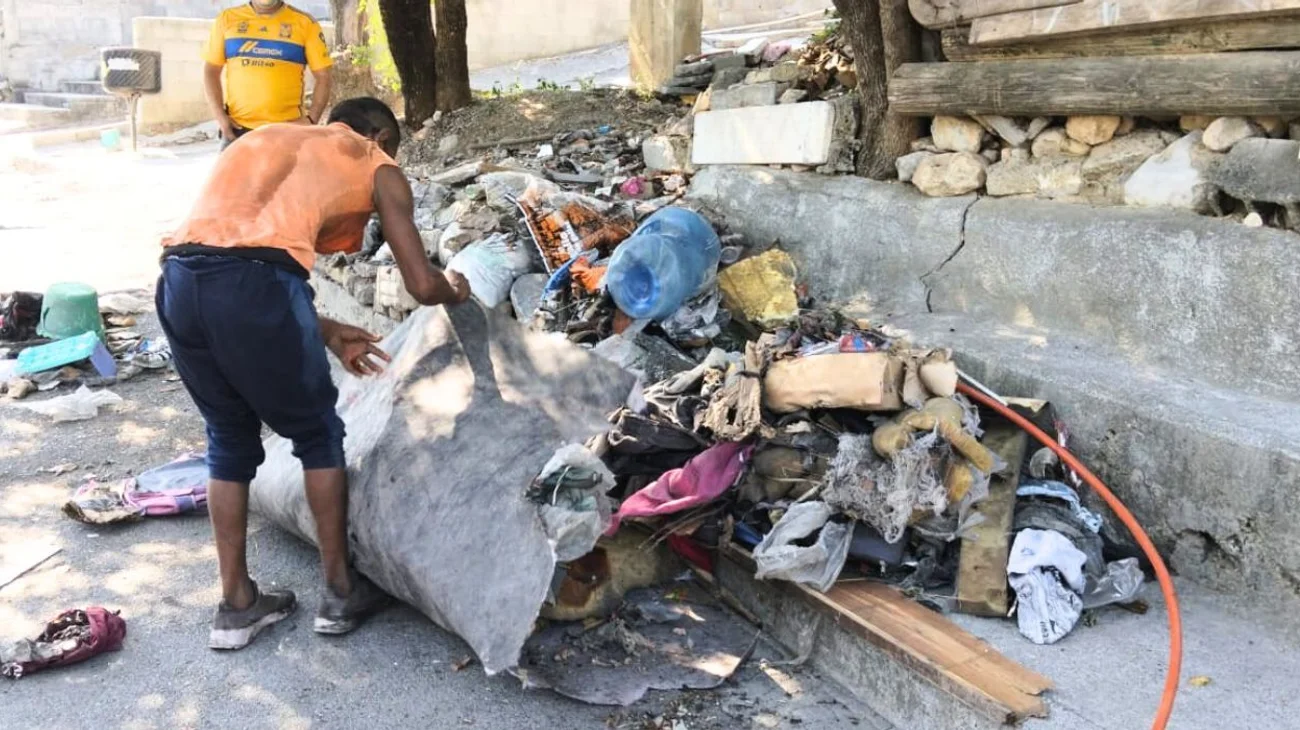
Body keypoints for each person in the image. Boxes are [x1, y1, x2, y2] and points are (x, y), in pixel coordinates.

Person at [157, 97, 471, 650]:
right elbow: (422, 287)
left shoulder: (269, 139)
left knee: (228, 439)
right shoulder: (374, 159)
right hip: (254, 286)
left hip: (178, 282)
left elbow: (231, 253)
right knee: (318, 434)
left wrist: (324, 330)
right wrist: (456, 286)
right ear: (378, 133)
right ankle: (340, 590)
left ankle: (236, 605)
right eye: (391, 147)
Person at [203, 0, 333, 149]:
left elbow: (324, 76)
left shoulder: (305, 23)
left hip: (287, 133)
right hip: (237, 131)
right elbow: (211, 70)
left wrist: (311, 120)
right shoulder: (227, 19)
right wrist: (221, 117)